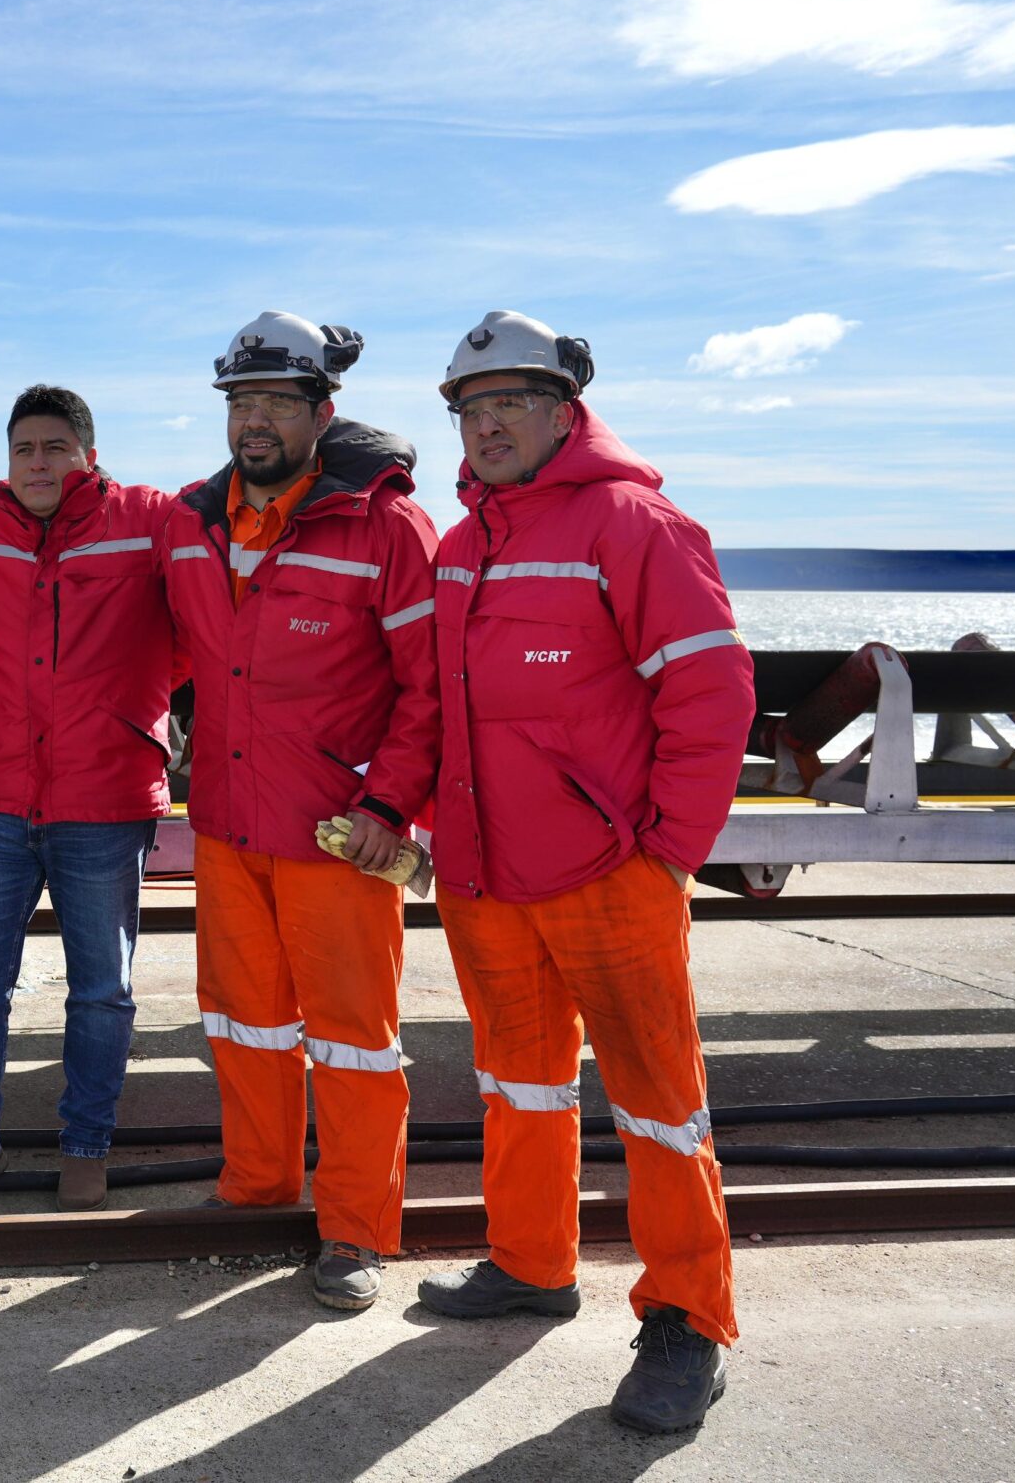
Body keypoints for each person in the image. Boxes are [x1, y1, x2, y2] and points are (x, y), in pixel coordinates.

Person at [416, 311, 753, 1436]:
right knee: (518, 1081)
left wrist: (667, 855)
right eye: (472, 408)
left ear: (567, 411)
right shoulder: (460, 545)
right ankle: (530, 1260)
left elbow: (711, 693)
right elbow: (440, 708)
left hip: (610, 872)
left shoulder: (635, 523)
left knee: (658, 1105)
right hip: (485, 873)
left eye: (511, 402)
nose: (489, 425)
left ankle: (689, 1321)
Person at [166, 312, 440, 1312]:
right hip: (228, 824)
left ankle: (357, 1227)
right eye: (242, 401)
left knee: (354, 1040)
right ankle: (257, 1187)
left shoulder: (388, 526)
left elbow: (429, 687)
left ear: (323, 413)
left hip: (340, 834)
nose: (256, 421)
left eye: (279, 402)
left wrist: (389, 803)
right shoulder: (192, 523)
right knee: (244, 1023)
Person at [0, 384, 210, 1217]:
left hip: (105, 798)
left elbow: (195, 623)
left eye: (55, 448)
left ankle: (87, 1146)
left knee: (102, 989)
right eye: (24, 450)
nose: (38, 463)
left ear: (89, 454)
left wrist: (130, 700)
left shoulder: (148, 519)